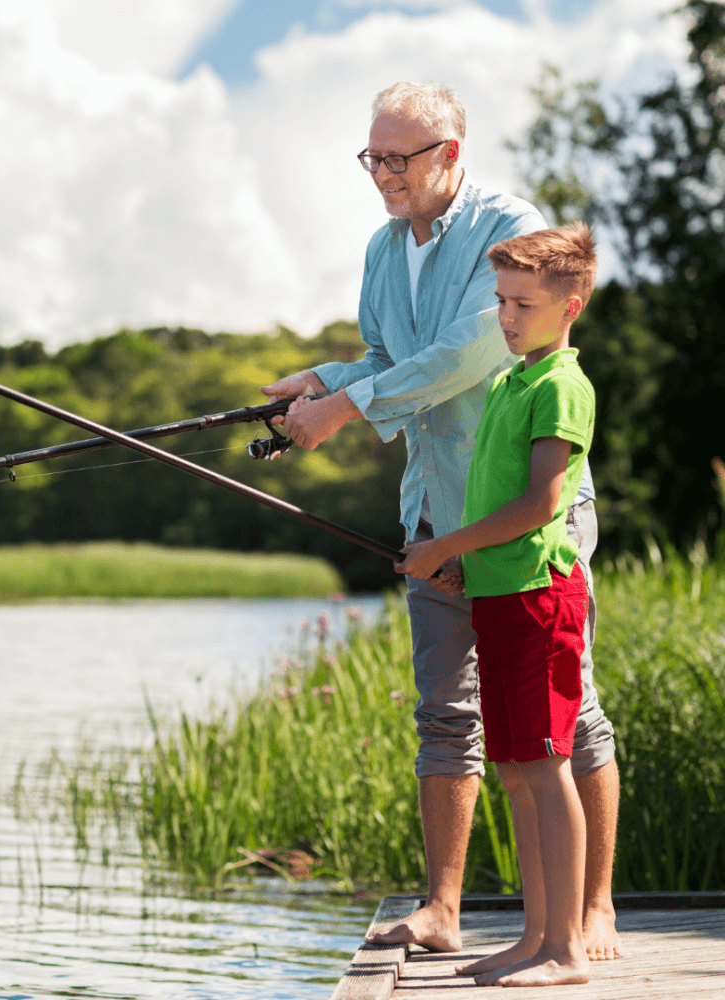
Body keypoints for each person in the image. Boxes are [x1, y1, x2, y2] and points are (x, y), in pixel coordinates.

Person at [260, 82, 620, 959]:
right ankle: (443, 909)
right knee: (445, 716)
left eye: (399, 158)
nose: (382, 175)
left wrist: (347, 410)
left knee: (568, 720)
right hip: (432, 514)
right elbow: (390, 357)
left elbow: (469, 354)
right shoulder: (385, 250)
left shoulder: (508, 227)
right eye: (372, 157)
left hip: (523, 524)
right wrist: (325, 378)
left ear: (449, 155)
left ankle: (592, 912)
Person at [397, 223, 597, 987]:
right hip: (501, 595)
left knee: (548, 768)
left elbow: (544, 503)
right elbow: (497, 505)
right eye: (502, 302)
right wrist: (467, 567)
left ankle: (568, 949)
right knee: (515, 767)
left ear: (569, 307)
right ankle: (535, 936)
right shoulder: (513, 380)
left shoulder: (559, 386)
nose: (507, 318)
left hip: (543, 601)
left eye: (524, 304)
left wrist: (448, 546)